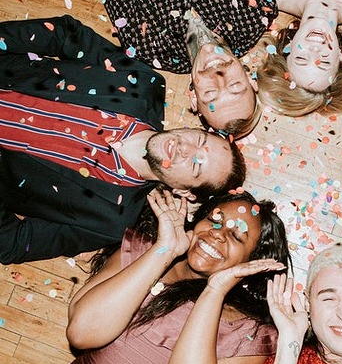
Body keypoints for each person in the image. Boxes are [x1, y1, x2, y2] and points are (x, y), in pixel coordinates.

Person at [0, 15, 245, 263]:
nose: (185, 148)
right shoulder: (141, 85)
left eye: (195, 164)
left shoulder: (110, 221)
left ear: (185, 192)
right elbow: (64, 34)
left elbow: (13, 243)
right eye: (200, 140)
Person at [41, 189, 290, 364]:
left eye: (236, 237)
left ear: (252, 263)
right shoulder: (141, 254)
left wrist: (215, 291)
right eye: (215, 220)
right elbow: (81, 333)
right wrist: (165, 250)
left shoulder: (249, 333)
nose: (218, 234)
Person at [89, 0, 278, 137]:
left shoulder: (145, 46)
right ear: (251, 79)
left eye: (210, 93)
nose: (218, 76)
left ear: (194, 98)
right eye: (235, 85)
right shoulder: (255, 14)